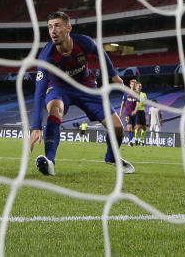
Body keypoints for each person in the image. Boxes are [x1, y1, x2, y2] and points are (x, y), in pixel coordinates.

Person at [29, 11, 134, 176]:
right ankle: (49, 161)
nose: (53, 31)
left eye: (57, 26)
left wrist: (113, 75)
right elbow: (39, 92)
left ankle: (112, 157)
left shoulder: (83, 42)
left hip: (87, 87)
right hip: (59, 88)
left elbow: (101, 52)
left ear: (68, 28)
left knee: (118, 128)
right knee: (55, 109)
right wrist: (36, 127)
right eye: (50, 27)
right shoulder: (46, 57)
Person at [119, 79, 137, 146]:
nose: (133, 85)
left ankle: (130, 141)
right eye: (132, 84)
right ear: (130, 85)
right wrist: (120, 112)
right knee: (129, 126)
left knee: (133, 128)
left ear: (136, 85)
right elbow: (123, 103)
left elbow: (138, 104)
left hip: (134, 113)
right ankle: (131, 140)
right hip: (127, 113)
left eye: (134, 84)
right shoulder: (126, 93)